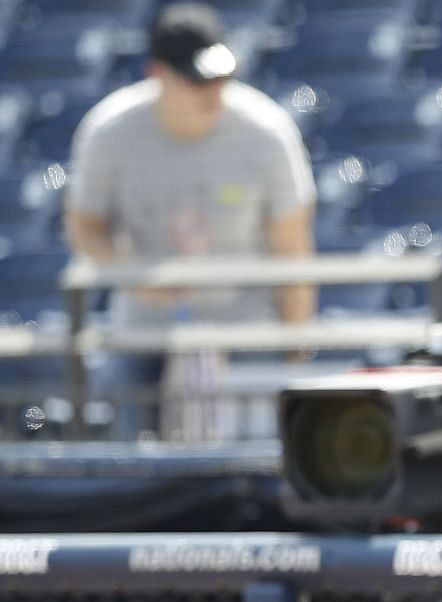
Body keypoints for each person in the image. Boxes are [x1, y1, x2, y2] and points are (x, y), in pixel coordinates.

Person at [65, 3, 315, 441]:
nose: (212, 91)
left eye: (220, 77)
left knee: (263, 446)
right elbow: (84, 225)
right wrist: (136, 277)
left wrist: (296, 347)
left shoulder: (266, 132)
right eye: (196, 79)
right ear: (156, 73)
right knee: (121, 438)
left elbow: (291, 246)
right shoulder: (110, 132)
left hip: (244, 316)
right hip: (146, 319)